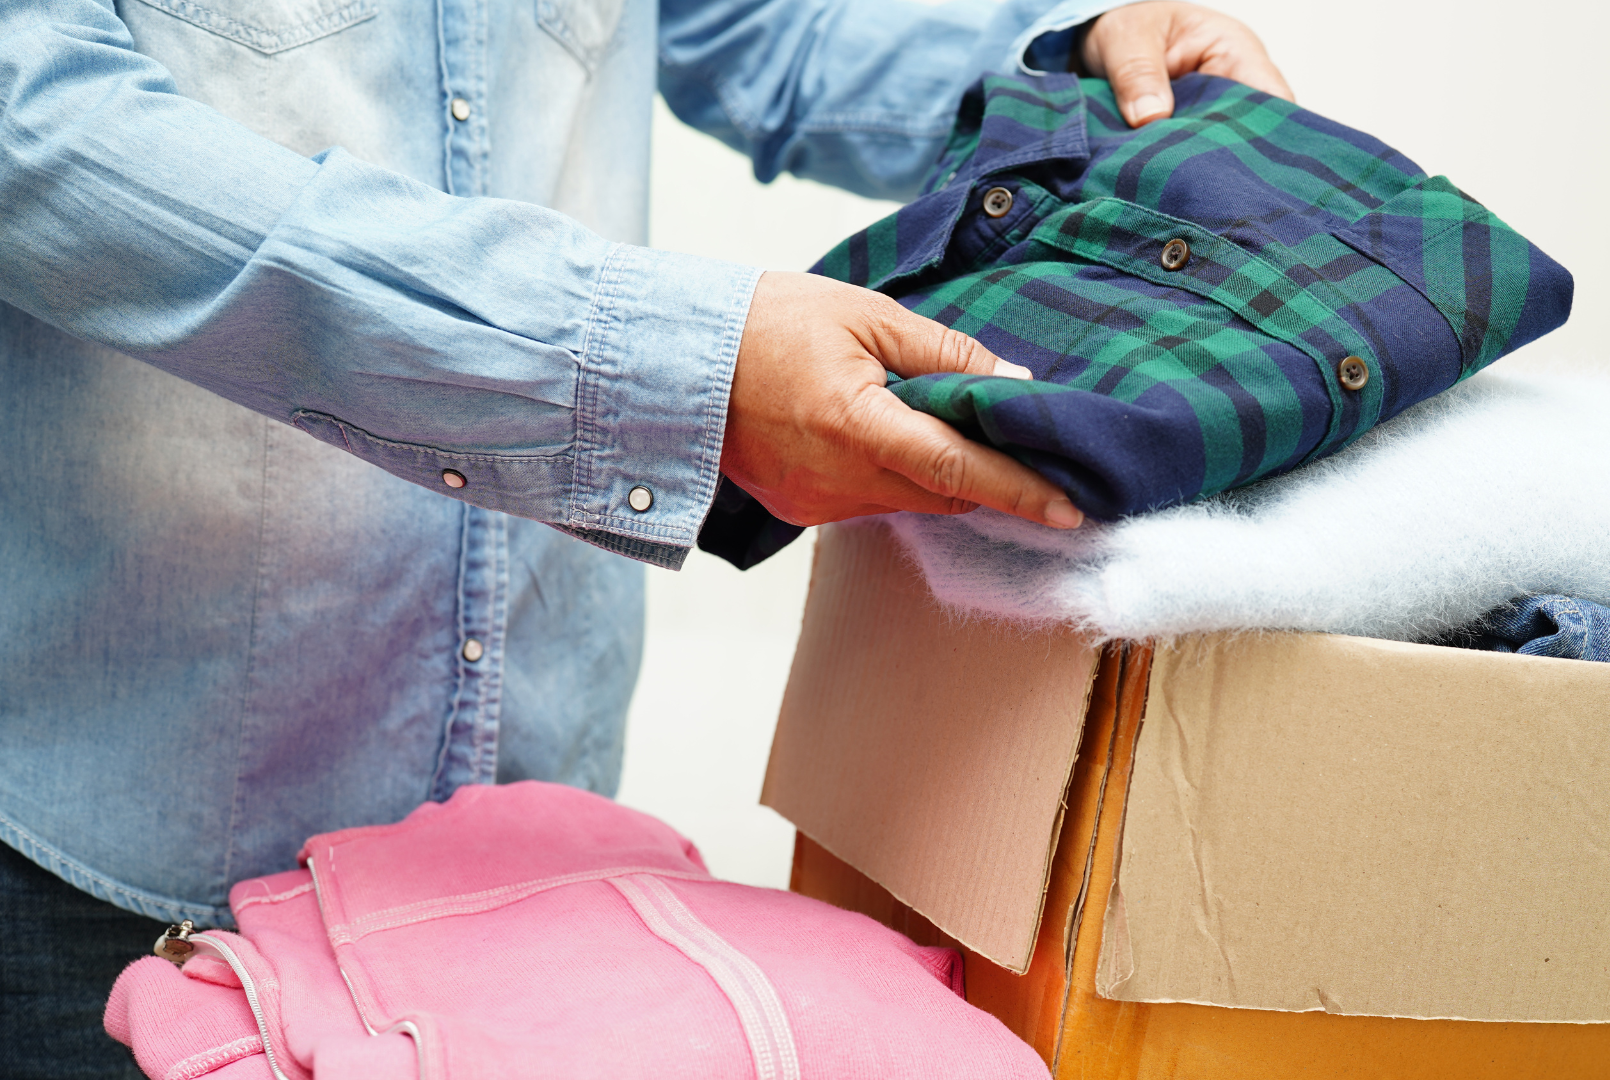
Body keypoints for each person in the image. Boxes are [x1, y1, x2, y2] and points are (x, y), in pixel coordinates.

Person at [0, 0, 1287, 1072]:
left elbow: (747, 19)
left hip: (535, 837)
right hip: (112, 864)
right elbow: (36, 128)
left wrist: (1068, 73)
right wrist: (659, 366)